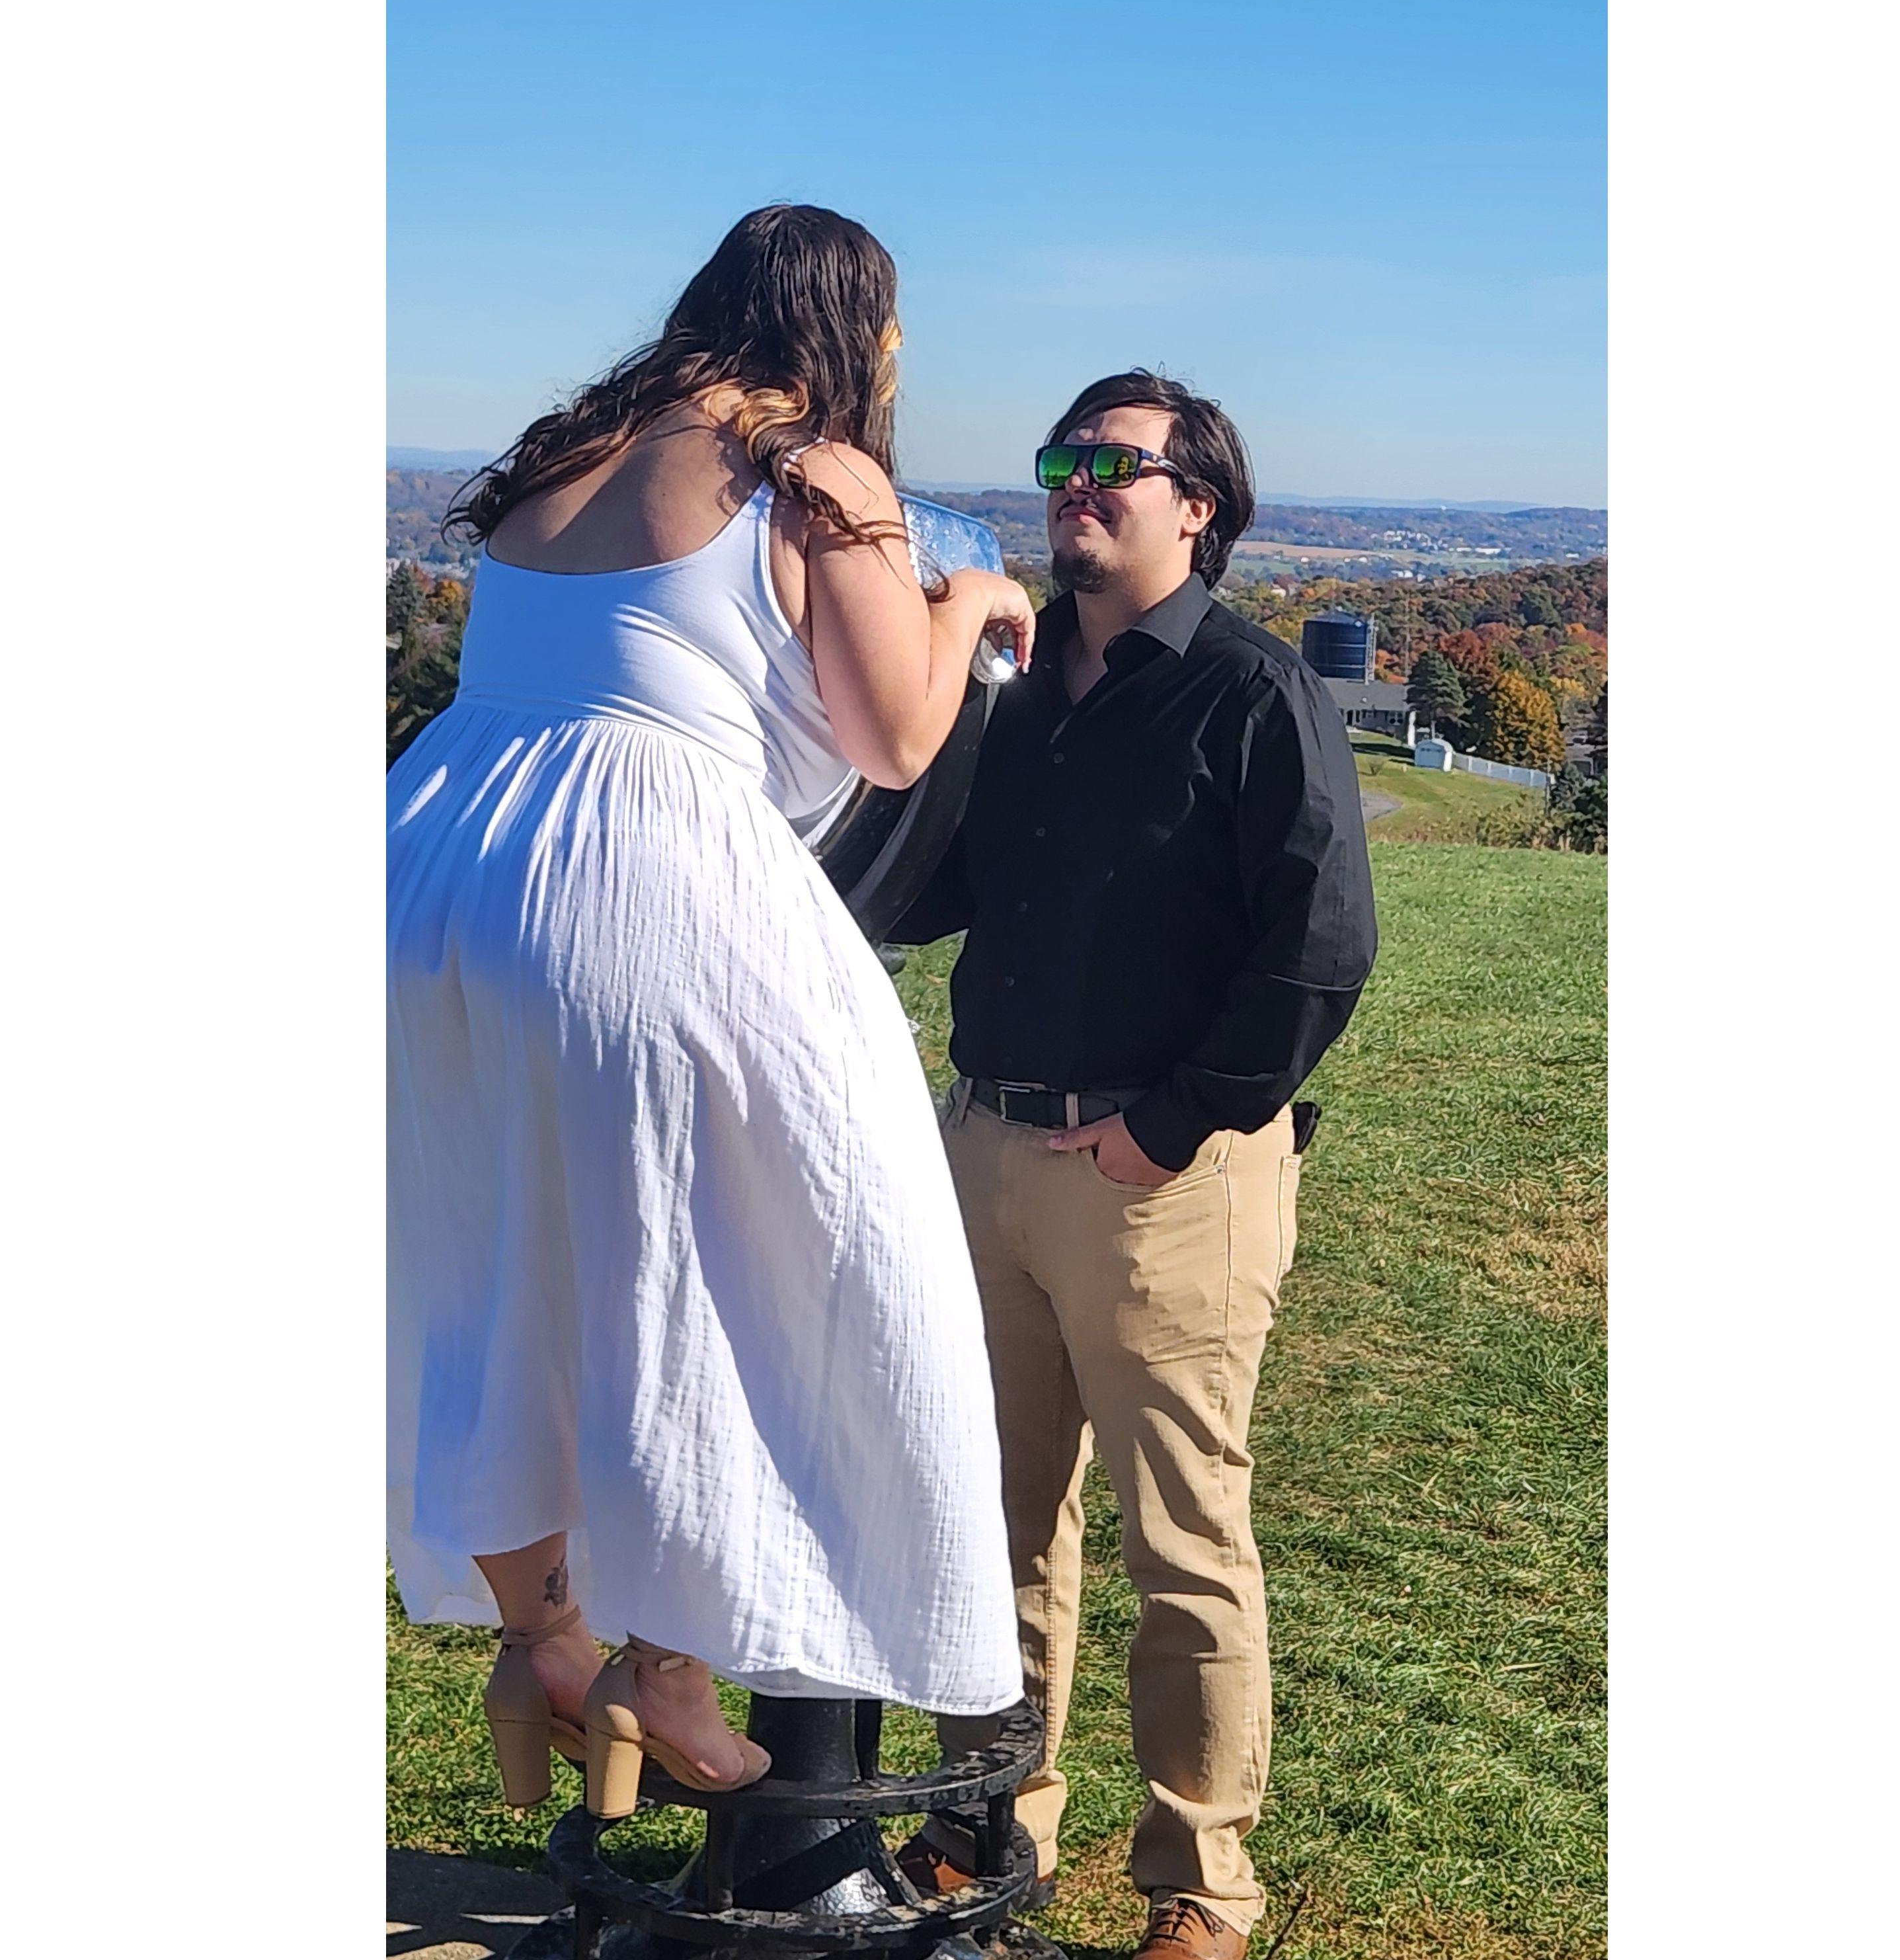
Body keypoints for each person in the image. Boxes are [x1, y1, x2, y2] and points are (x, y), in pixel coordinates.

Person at [387, 205, 1036, 1818]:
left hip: (425, 867)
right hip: (633, 874)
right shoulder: (812, 470)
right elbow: (892, 736)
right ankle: (668, 1660)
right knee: (767, 1249)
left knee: (493, 1256)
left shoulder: (559, 456)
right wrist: (967, 600)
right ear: (857, 332)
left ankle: (543, 1635)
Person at [891, 371, 1378, 1960]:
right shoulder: (1021, 692)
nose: (1076, 483)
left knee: (1184, 1539)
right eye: (1062, 459)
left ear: (1197, 507)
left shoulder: (1252, 690)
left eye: (1114, 462)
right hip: (991, 1150)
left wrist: (1170, 1121)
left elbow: (1318, 947)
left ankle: (1198, 1885)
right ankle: (989, 1830)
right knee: (995, 1524)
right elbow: (931, 886)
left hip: (1168, 1175)